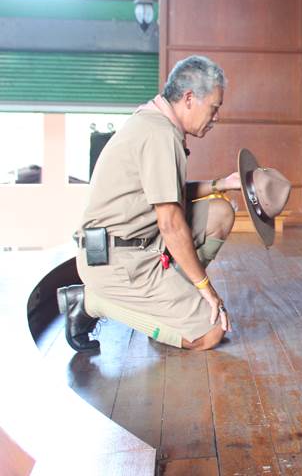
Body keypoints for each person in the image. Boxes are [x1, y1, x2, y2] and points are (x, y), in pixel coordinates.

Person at [58, 55, 241, 352]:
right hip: (116, 262)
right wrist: (205, 288)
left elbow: (165, 191)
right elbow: (170, 223)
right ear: (189, 98)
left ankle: (169, 309)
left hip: (136, 247)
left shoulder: (155, 120)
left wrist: (221, 184)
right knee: (210, 334)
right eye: (214, 107)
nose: (216, 116)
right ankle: (90, 302)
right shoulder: (160, 134)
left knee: (219, 212)